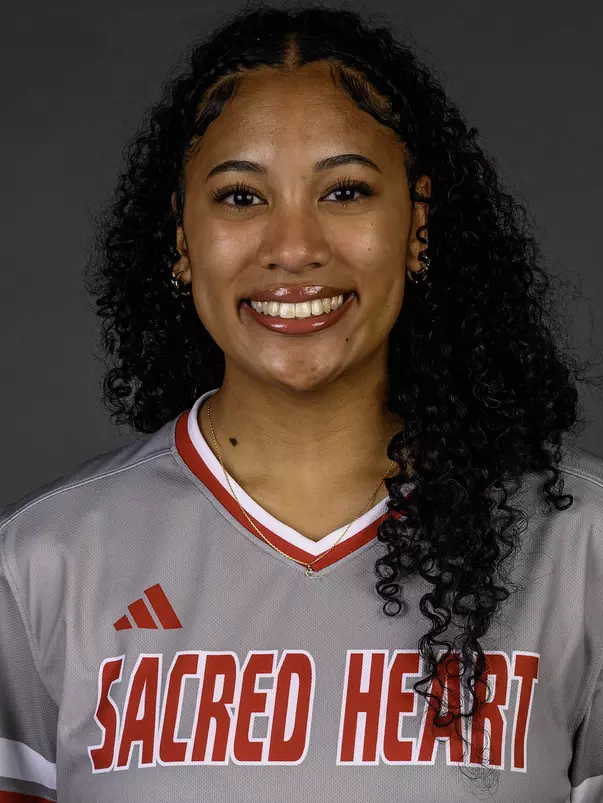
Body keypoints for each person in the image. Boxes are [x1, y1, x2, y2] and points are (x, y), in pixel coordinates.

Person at [1, 3, 603, 801]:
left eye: (345, 191)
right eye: (240, 197)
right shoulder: (41, 564)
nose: (293, 248)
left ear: (416, 224)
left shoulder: (580, 548)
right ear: (181, 236)